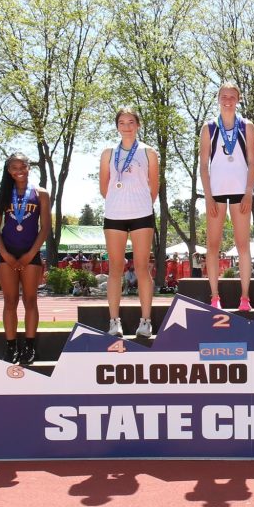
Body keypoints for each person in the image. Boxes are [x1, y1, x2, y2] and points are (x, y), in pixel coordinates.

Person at [100, 107, 159, 338]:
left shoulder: (148, 152)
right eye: (122, 122)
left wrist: (140, 203)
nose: (126, 126)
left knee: (142, 268)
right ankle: (114, 322)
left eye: (131, 122)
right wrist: (119, 202)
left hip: (142, 214)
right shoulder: (107, 153)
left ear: (138, 125)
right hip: (114, 214)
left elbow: (153, 187)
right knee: (115, 269)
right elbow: (104, 187)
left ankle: (145, 321)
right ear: (117, 126)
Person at [200, 82, 254, 311]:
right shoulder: (209, 128)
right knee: (212, 246)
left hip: (240, 191)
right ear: (218, 98)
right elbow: (204, 165)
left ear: (238, 99)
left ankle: (245, 298)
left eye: (232, 97)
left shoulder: (247, 127)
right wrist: (207, 196)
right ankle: (214, 297)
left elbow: (252, 162)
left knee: (243, 245)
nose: (228, 100)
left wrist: (248, 192)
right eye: (224, 96)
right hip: (216, 192)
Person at [0, 153, 51, 365]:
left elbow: (45, 228)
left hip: (30, 252)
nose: (19, 170)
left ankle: (30, 347)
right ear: (8, 170)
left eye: (23, 166)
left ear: (28, 167)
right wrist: (5, 254)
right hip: (6, 253)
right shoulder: (3, 194)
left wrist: (30, 254)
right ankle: (11, 347)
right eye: (14, 167)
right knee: (10, 301)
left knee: (30, 300)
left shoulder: (41, 193)